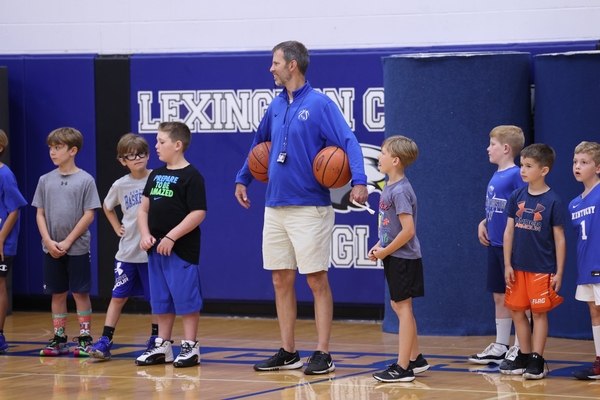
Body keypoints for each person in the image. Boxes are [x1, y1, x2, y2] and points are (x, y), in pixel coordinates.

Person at [234, 40, 368, 375]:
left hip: (310, 206)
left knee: (316, 279)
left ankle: (323, 352)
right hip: (274, 205)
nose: (271, 68)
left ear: (292, 65)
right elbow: (258, 145)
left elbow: (349, 141)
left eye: (275, 63)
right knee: (280, 279)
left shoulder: (321, 104)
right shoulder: (276, 105)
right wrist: (242, 179)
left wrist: (360, 180)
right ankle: (288, 351)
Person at [135, 121, 207, 368]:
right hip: (156, 250)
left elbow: (198, 213)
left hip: (181, 250)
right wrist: (145, 235)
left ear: (177, 145)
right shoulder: (155, 174)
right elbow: (143, 209)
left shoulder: (192, 176)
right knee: (161, 300)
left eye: (161, 142)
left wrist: (172, 236)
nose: (156, 146)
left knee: (186, 300)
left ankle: (190, 347)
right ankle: (163, 345)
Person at [32, 127, 102, 356]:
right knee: (57, 293)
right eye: (51, 148)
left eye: (58, 148)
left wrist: (69, 241)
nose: (53, 152)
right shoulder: (45, 180)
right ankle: (59, 339)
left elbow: (89, 214)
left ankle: (84, 338)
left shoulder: (85, 180)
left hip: (77, 248)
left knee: (80, 292)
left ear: (73, 150)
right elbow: (39, 213)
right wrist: (48, 241)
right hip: (50, 248)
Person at [89, 133, 158, 361]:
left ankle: (156, 340)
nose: (137, 158)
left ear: (148, 155)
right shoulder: (120, 185)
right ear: (122, 160)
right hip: (127, 253)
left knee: (156, 299)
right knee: (118, 297)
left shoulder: (158, 178)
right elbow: (106, 206)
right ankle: (106, 340)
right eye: (131, 155)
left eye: (141, 153)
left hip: (151, 254)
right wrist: (116, 225)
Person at [499, 143, 566, 380]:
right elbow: (509, 232)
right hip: (517, 267)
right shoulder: (516, 196)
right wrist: (507, 264)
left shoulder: (553, 201)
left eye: (528, 166)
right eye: (521, 165)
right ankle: (524, 355)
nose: (522, 170)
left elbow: (559, 238)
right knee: (517, 311)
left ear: (544, 170)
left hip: (541, 268)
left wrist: (558, 271)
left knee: (538, 314)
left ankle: (537, 358)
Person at [367, 135, 429, 383]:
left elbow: (408, 231)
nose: (379, 157)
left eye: (382, 153)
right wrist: (378, 246)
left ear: (395, 160)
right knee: (399, 306)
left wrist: (385, 251)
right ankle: (415, 359)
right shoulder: (389, 186)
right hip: (393, 254)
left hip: (402, 257)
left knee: (403, 309)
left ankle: (403, 368)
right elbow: (389, 228)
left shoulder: (401, 190)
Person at [469, 126, 527, 365]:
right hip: (494, 243)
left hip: (511, 246)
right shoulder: (497, 174)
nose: (488, 148)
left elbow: (522, 208)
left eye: (492, 144)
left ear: (505, 148)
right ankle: (501, 345)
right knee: (499, 296)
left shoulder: (516, 174)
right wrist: (484, 221)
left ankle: (519, 345)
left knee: (517, 297)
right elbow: (501, 206)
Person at [569, 141, 600, 380]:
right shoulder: (574, 203)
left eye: (584, 162)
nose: (577, 166)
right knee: (594, 310)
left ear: (598, 167)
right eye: (575, 162)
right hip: (585, 266)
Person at [0, 129, 28, 353]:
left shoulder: (5, 175)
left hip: (2, 243)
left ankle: (0, 336)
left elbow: (14, 210)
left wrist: (0, 239)